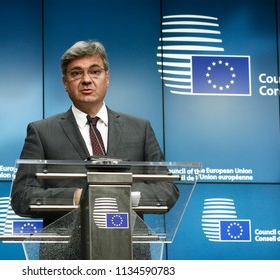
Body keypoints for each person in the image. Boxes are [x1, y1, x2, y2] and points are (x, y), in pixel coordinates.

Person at [10, 40, 179, 259]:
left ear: (107, 78)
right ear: (65, 82)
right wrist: (77, 197)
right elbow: (22, 197)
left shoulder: (140, 129)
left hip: (131, 255)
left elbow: (167, 189)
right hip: (64, 260)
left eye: (95, 71)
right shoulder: (42, 132)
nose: (86, 80)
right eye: (76, 73)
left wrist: (124, 196)